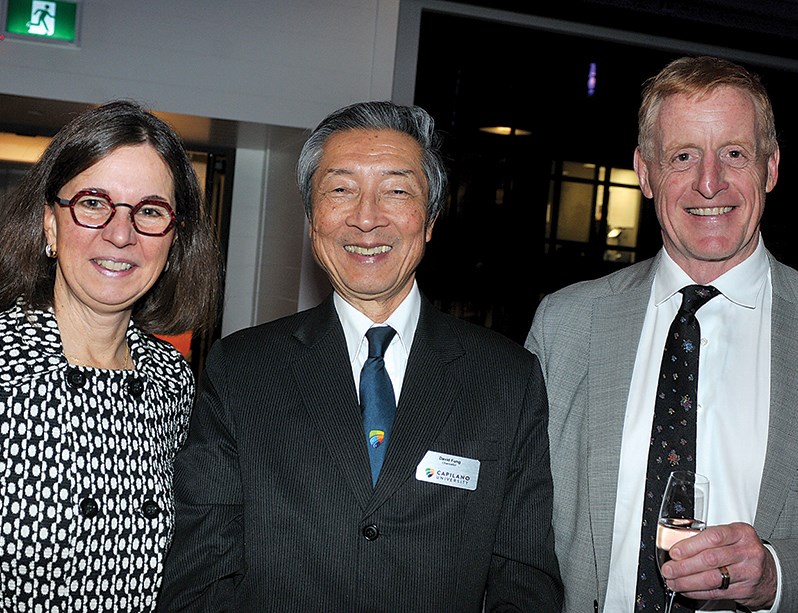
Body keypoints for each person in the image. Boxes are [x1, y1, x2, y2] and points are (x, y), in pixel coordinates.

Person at [157, 101, 562, 611]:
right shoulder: (240, 369)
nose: (367, 219)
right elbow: (201, 576)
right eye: (341, 190)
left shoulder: (508, 377)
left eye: (396, 190)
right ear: (312, 217)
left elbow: (524, 582)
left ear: (431, 218)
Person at [526, 54, 798, 613]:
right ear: (645, 173)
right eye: (683, 156)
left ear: (770, 168)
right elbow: (515, 524)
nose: (709, 182)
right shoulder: (564, 326)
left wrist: (779, 576)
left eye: (735, 154)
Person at [0, 100, 222, 612]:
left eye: (150, 211)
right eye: (94, 202)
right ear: (50, 223)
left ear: (174, 240)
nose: (121, 233)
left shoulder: (172, 382)